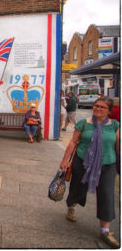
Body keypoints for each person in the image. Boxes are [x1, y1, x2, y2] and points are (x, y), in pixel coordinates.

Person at [60, 97, 120, 248]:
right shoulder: (84, 123)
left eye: (102, 107)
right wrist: (65, 160)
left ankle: (105, 230)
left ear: (109, 111)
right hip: (83, 162)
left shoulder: (115, 125)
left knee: (107, 194)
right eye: (96, 106)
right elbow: (73, 142)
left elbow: (118, 146)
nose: (98, 109)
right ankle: (72, 207)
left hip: (107, 164)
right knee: (78, 188)